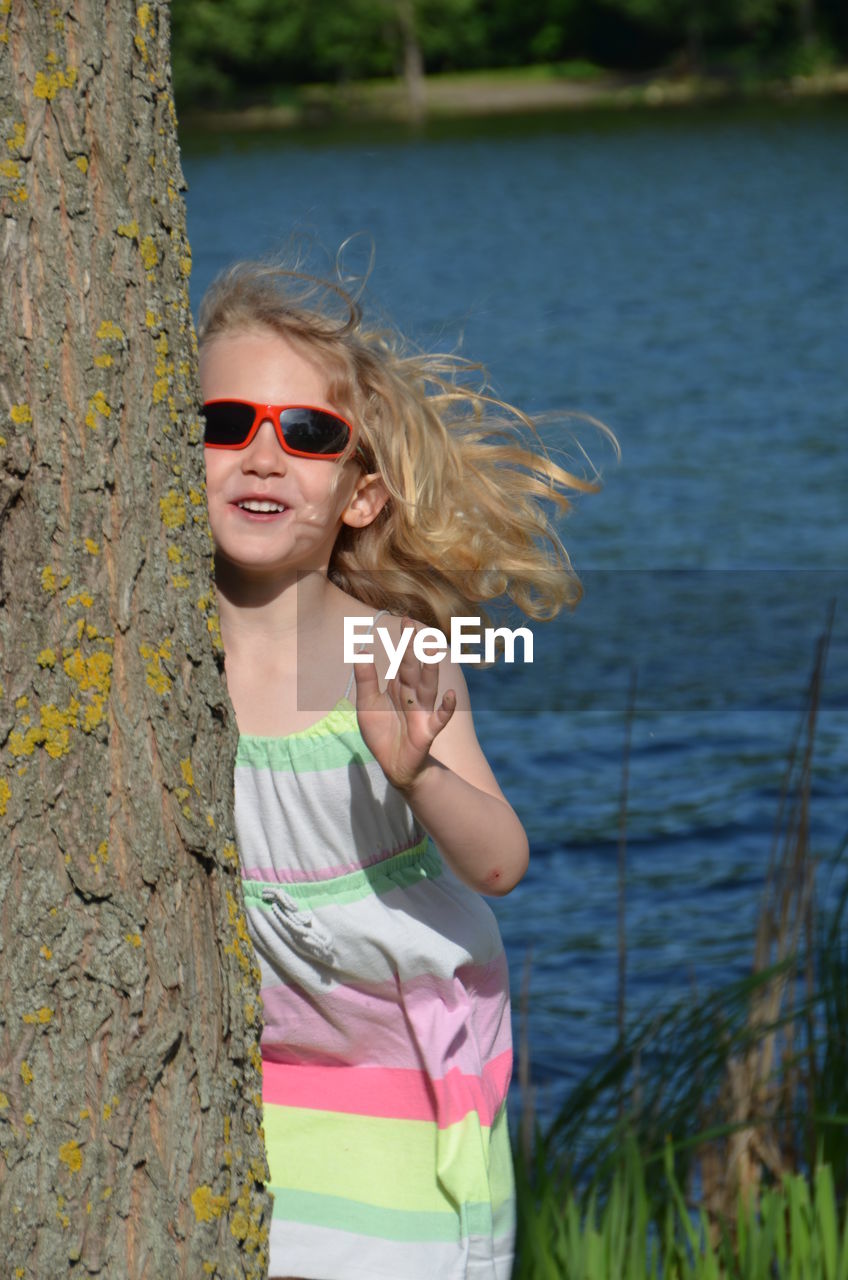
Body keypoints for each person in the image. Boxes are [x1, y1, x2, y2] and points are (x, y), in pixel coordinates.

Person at [197, 260, 610, 1280]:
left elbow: (501, 859)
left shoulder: (392, 652)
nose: (260, 454)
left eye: (305, 434)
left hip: (398, 1065)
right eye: (225, 422)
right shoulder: (159, 645)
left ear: (359, 492)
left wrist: (418, 770)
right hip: (260, 1068)